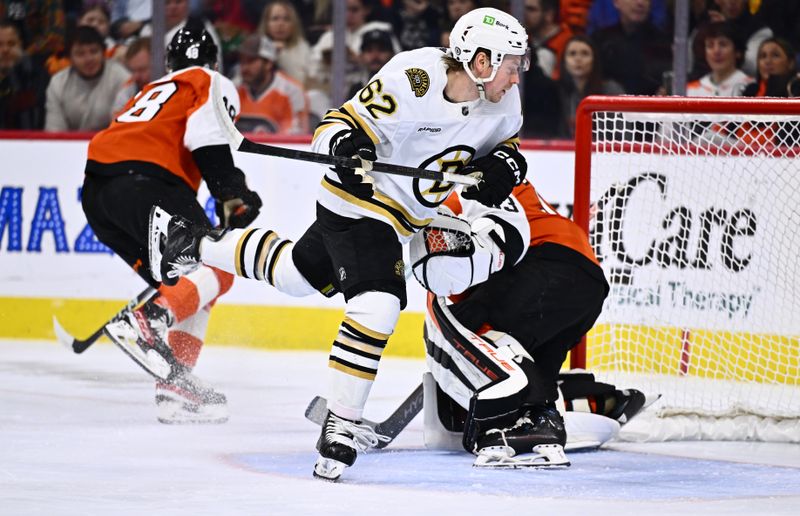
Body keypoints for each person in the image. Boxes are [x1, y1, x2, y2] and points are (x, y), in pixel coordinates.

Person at [149, 7, 531, 480]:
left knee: (294, 274)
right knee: (378, 303)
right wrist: (346, 147)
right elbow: (334, 125)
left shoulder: (503, 103)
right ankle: (341, 423)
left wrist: (506, 168)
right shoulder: (414, 78)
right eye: (512, 64)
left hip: (407, 218)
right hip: (358, 203)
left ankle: (193, 242)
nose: (517, 76)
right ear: (480, 61)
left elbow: (507, 147)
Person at [81, 27, 262, 424]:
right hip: (148, 182)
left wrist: (232, 195)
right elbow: (207, 139)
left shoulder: (150, 90)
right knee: (218, 264)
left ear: (167, 64)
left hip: (98, 196)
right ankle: (148, 321)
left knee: (187, 281)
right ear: (214, 62)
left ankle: (175, 385)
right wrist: (232, 193)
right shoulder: (210, 81)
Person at [408, 176, 610, 467]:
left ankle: (546, 421)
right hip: (587, 283)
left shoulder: (464, 188)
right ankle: (544, 417)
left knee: (479, 332)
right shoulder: (495, 176)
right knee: (531, 371)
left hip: (547, 264)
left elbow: (438, 238)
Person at [45, 26, 131, 131]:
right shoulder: (57, 83)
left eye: (94, 51)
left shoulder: (122, 77)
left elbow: (124, 129)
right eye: (80, 54)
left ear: (103, 52)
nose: (88, 59)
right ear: (69, 58)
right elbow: (55, 132)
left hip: (110, 143)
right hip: (70, 145)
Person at [593, 0, 672, 95]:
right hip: (610, 106)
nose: (640, 3)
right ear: (616, 2)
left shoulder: (662, 42)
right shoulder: (600, 40)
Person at [235, 34, 309, 134]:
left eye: (251, 61)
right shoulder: (234, 88)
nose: (244, 67)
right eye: (242, 61)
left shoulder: (292, 91)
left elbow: (297, 136)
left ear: (268, 63)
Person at [556, 35, 624, 138]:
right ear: (564, 62)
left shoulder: (611, 91)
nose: (578, 59)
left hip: (604, 152)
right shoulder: (556, 91)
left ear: (594, 60)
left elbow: (622, 136)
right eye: (572, 54)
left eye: (585, 53)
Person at [0, 20, 49, 129]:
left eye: (11, 43)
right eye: (0, 44)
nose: (5, 50)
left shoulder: (37, 76)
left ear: (20, 45)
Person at [686, 22, 753, 97]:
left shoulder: (752, 88)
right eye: (710, 45)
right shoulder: (690, 90)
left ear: (738, 52)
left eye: (723, 44)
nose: (716, 51)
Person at [258, 0, 313, 86]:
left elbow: (301, 82)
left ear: (293, 24)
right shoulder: (255, 46)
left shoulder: (303, 47)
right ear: (266, 23)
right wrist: (271, 52)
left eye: (286, 19)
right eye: (275, 19)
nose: (280, 24)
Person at [525, 0, 574, 79]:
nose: (524, 14)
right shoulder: (523, 38)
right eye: (523, 8)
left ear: (549, 14)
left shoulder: (568, 42)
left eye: (531, 9)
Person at [346, 27, 396, 99]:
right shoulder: (356, 90)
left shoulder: (401, 86)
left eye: (382, 50)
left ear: (392, 55)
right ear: (361, 56)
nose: (375, 55)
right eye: (369, 50)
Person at [111, 36, 152, 115]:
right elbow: (117, 123)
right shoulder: (127, 92)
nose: (136, 77)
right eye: (132, 71)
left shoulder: (178, 86)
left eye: (142, 70)